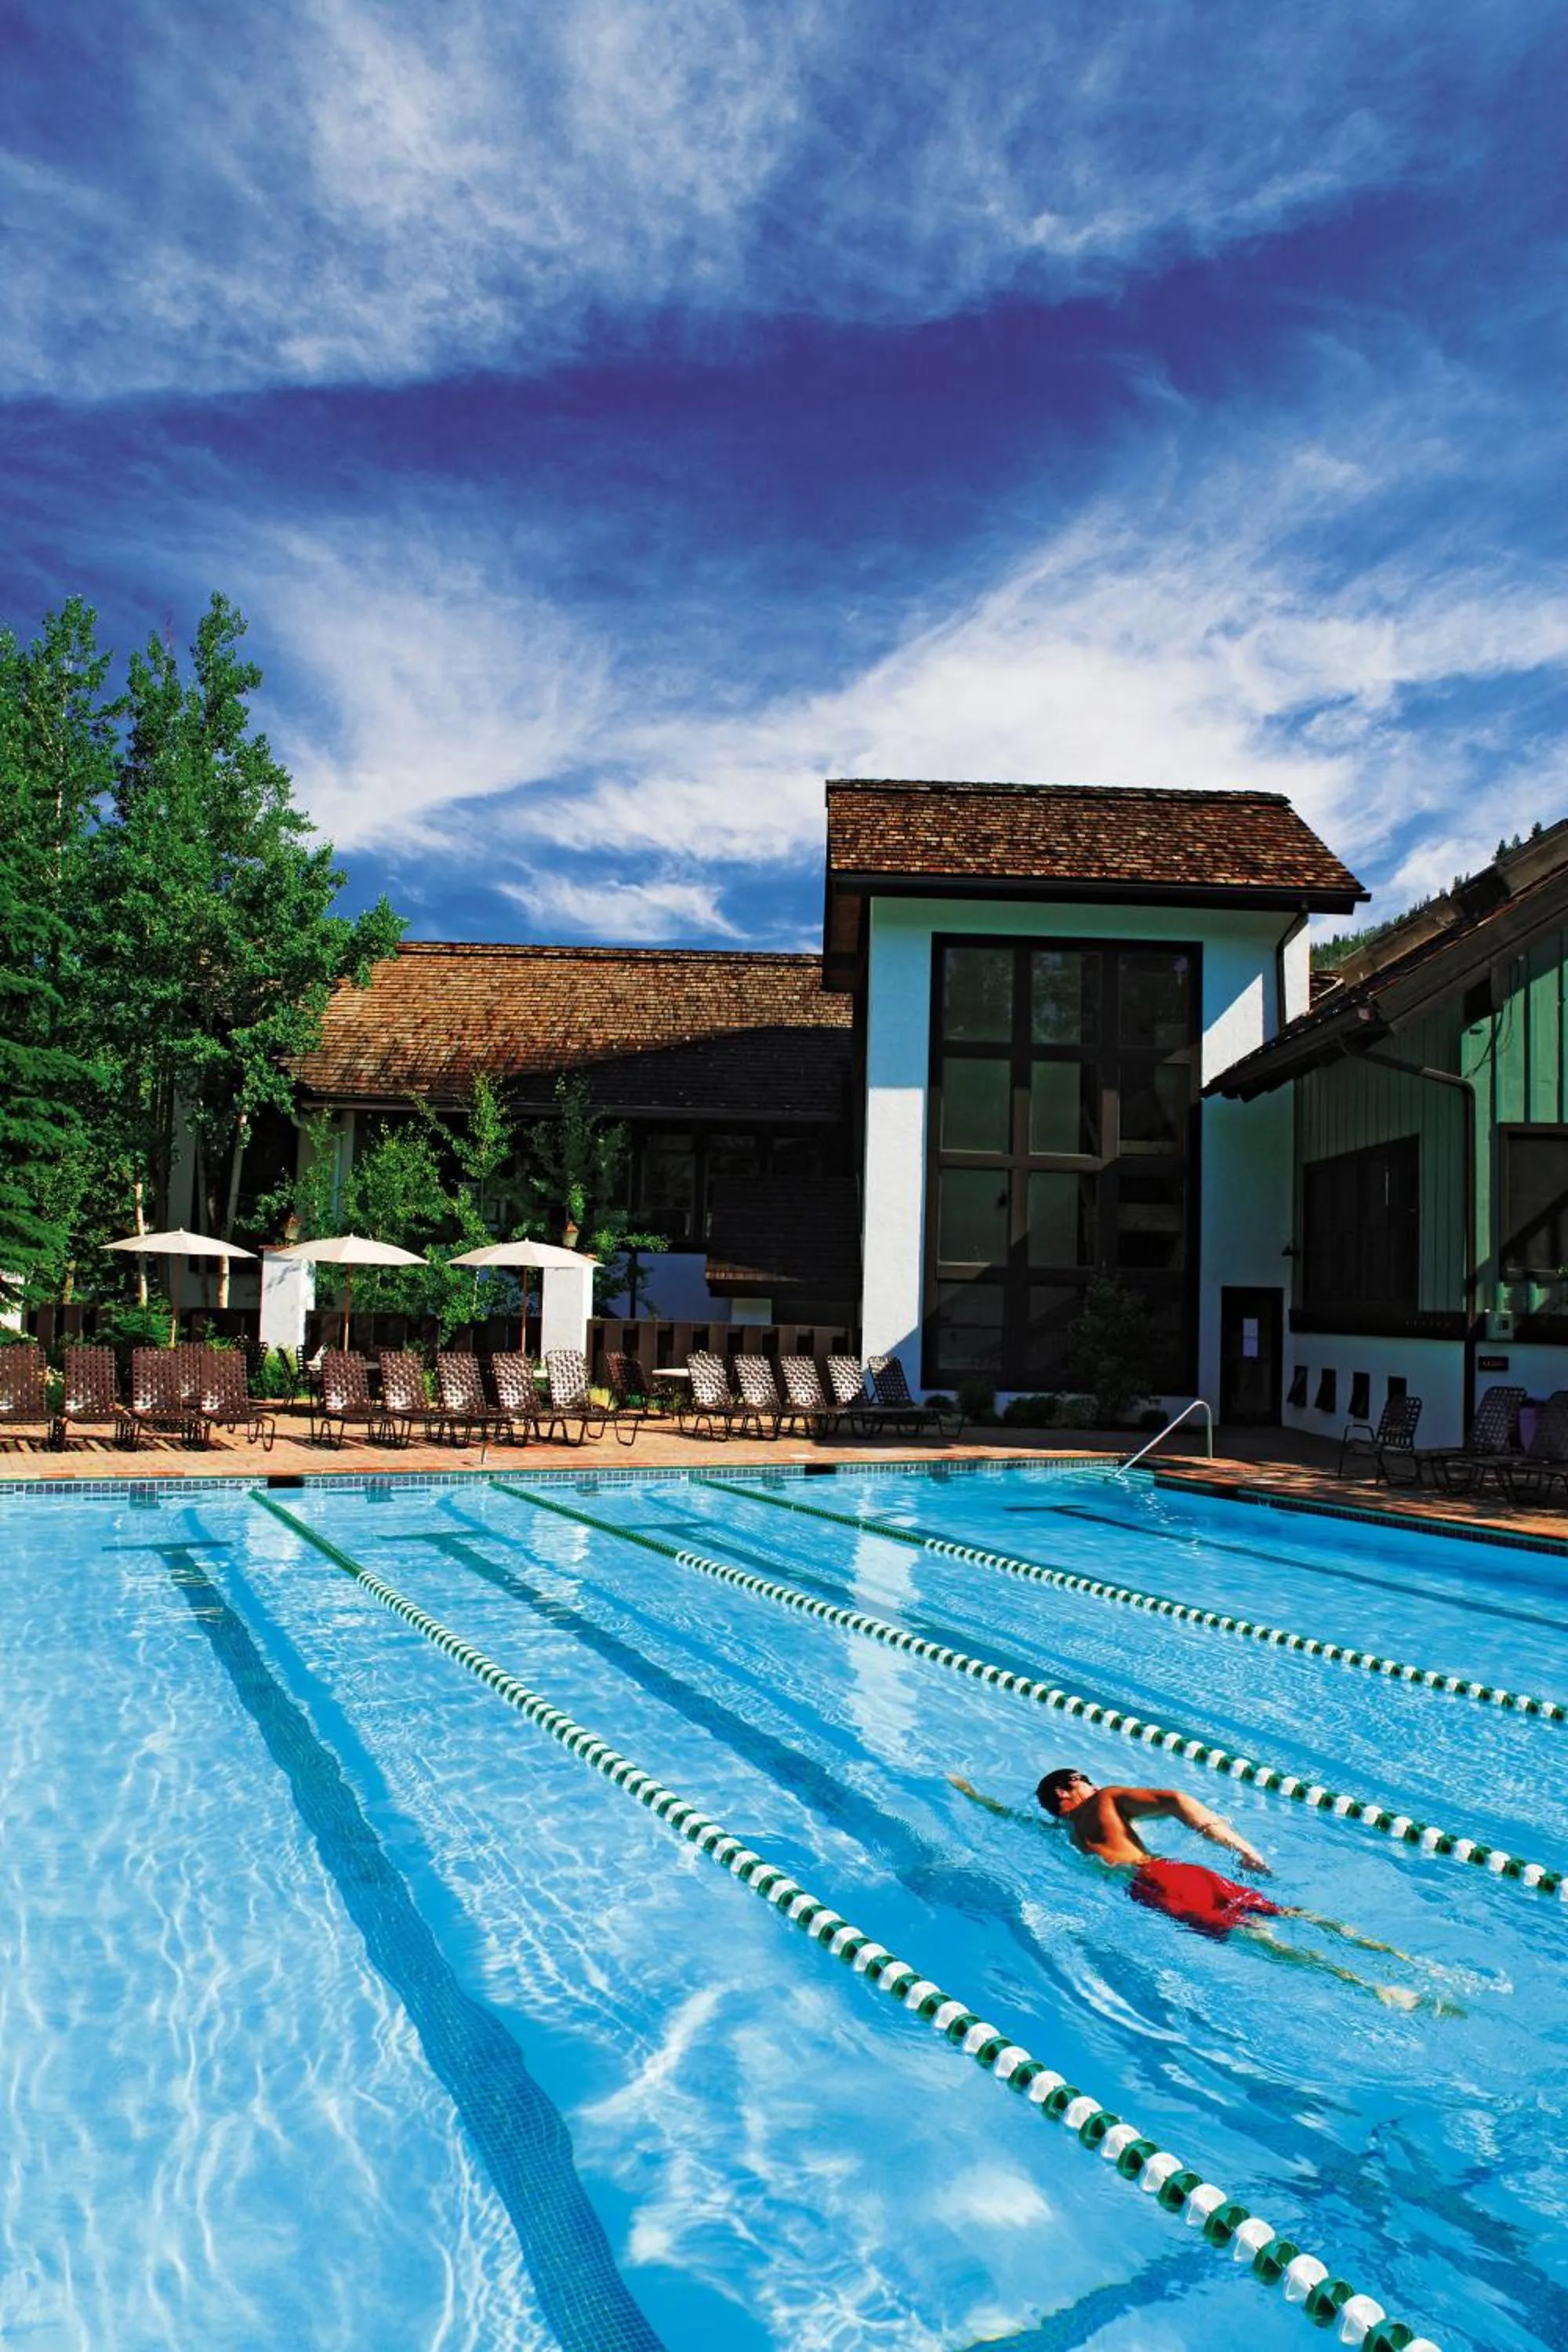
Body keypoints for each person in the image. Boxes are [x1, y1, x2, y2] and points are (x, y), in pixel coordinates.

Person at [949, 1766, 1448, 2009]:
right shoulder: (1102, 1802)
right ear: (1066, 1790)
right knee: (1288, 1915)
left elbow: (1010, 1818)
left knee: (1254, 1937)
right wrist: (1236, 1846)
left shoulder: (1071, 1829)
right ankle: (1406, 1961)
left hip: (1152, 1885)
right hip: (1175, 1871)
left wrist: (971, 1794)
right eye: (1083, 1779)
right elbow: (1174, 1798)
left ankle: (1376, 1989)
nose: (1091, 1783)